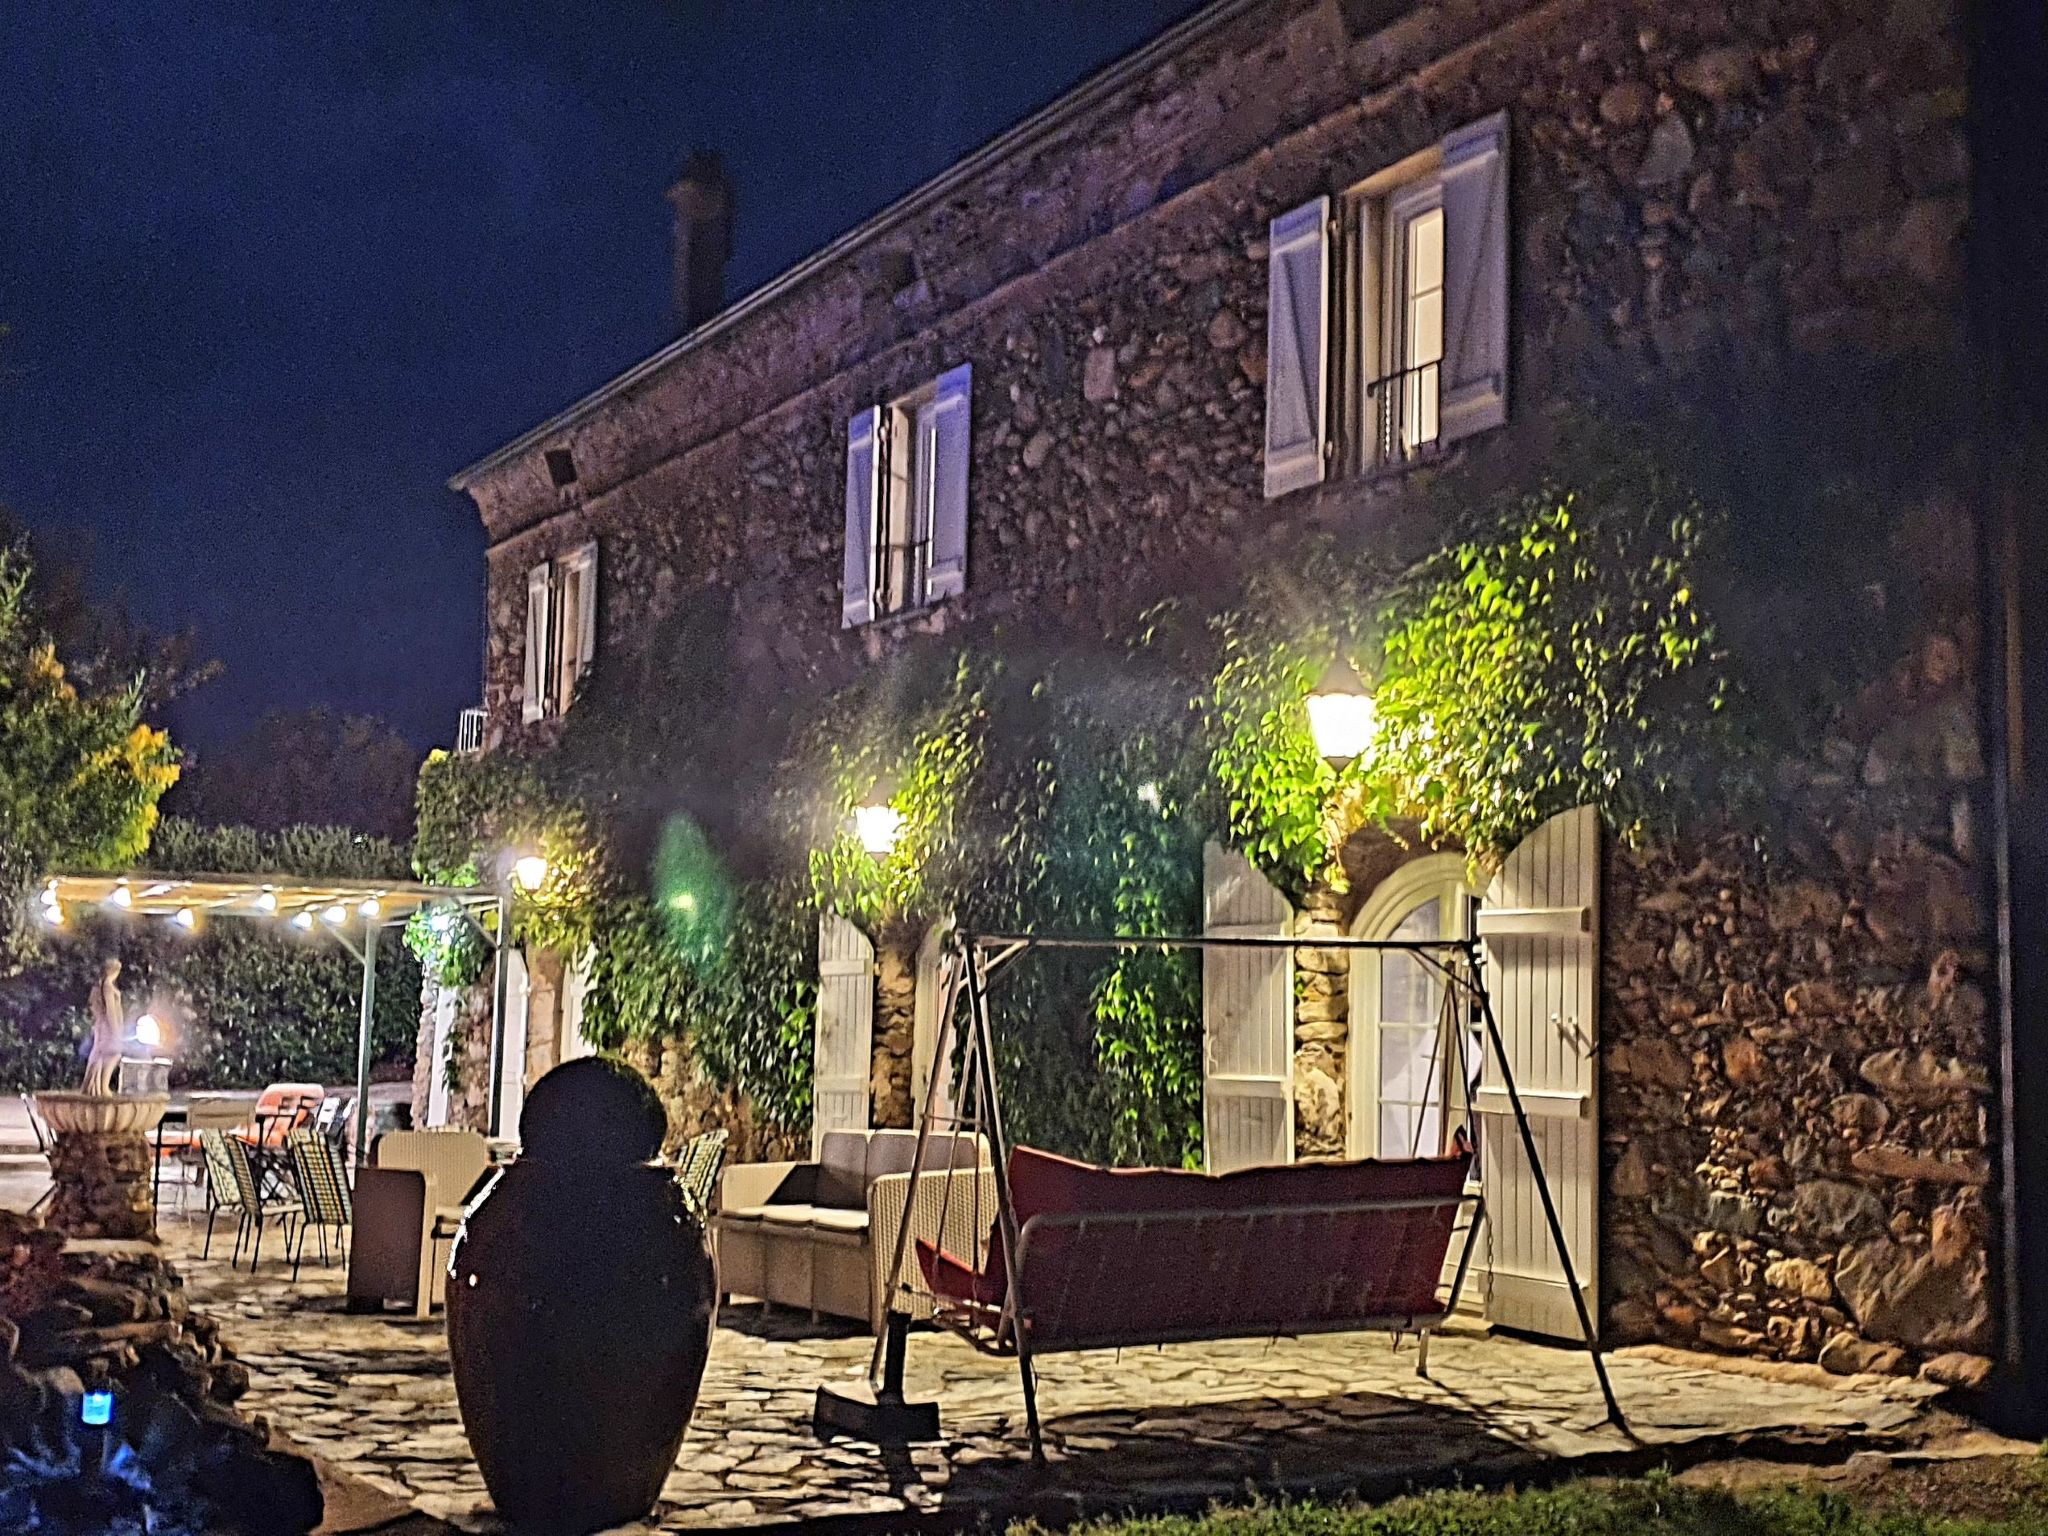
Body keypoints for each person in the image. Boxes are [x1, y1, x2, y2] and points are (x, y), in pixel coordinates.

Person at [81, 956, 125, 1095]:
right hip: (108, 1026)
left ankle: (95, 1087)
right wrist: (116, 1030)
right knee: (112, 1053)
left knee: (101, 1054)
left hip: (103, 1025)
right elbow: (110, 1010)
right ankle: (103, 1086)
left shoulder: (101, 986)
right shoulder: (107, 986)